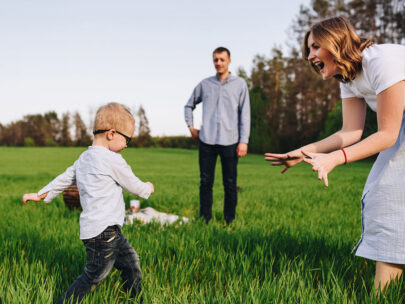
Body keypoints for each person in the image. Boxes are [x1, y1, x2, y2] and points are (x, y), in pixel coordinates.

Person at [265, 16, 405, 294]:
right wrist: (302, 152)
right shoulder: (348, 77)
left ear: (336, 40)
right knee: (385, 197)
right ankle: (385, 294)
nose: (310, 56)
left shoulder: (380, 61)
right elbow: (351, 131)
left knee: (386, 193)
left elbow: (388, 134)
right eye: (308, 50)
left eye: (315, 47)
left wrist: (335, 158)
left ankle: (384, 293)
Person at [22, 102, 154, 303]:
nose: (127, 144)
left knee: (131, 263)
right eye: (127, 138)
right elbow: (133, 185)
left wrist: (40, 195)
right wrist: (148, 188)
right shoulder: (112, 159)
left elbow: (63, 179)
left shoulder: (84, 158)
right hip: (105, 233)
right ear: (111, 134)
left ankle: (134, 298)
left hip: (100, 231)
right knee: (93, 276)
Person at [184, 46, 250, 225]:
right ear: (213, 61)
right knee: (206, 182)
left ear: (229, 61)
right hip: (207, 140)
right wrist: (191, 127)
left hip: (231, 141)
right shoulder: (205, 85)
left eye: (222, 59)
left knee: (230, 183)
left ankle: (230, 220)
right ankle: (204, 219)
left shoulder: (240, 84)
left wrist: (243, 141)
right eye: (216, 60)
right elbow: (188, 105)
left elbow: (245, 114)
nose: (219, 63)